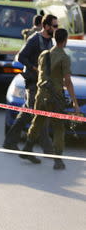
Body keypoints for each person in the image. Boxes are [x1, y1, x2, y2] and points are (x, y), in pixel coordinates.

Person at [22, 28, 80, 169]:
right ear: (65, 40)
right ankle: (58, 160)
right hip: (55, 97)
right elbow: (67, 81)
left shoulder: (44, 54)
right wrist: (75, 102)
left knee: (38, 121)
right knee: (58, 128)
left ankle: (28, 148)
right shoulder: (64, 58)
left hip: (41, 95)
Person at [3, 14, 57, 151]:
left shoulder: (50, 41)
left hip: (43, 84)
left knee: (26, 113)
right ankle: (49, 151)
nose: (56, 29)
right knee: (39, 115)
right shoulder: (34, 39)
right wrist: (34, 68)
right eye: (54, 26)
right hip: (33, 83)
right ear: (46, 26)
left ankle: (9, 142)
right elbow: (21, 57)